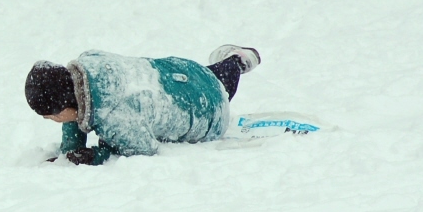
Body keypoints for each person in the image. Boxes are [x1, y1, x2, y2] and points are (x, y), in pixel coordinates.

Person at [24, 45, 261, 165]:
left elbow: (142, 149)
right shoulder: (89, 61)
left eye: (52, 115)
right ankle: (236, 61)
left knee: (217, 91)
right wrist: (71, 147)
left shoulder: (119, 121)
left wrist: (94, 155)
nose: (51, 119)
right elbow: (80, 101)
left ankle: (235, 64)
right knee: (207, 79)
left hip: (209, 114)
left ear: (66, 107)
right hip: (183, 72)